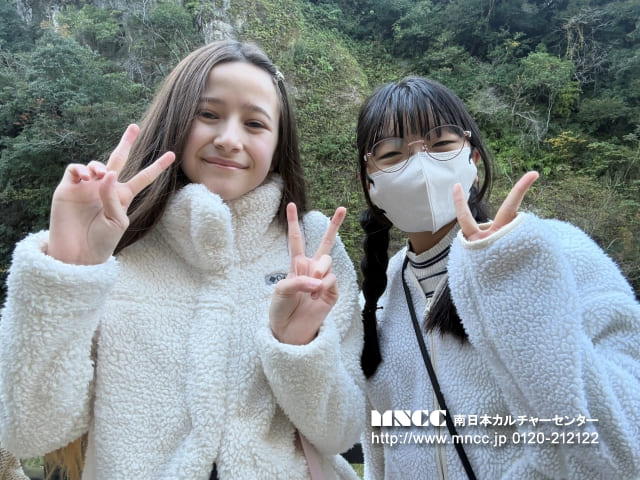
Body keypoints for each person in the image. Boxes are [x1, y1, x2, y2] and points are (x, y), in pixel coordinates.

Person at [0, 40, 365, 480]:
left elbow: (341, 432)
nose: (229, 139)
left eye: (255, 123)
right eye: (208, 114)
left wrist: (298, 343)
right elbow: (28, 432)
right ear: (174, 119)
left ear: (278, 142)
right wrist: (69, 269)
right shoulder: (116, 245)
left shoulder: (312, 247)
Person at [356, 76, 640, 479]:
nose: (420, 165)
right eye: (391, 154)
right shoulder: (376, 301)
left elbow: (629, 444)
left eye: (440, 144)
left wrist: (515, 282)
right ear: (371, 184)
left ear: (472, 159)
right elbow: (380, 451)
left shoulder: (555, 251)